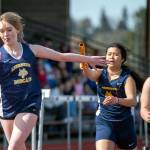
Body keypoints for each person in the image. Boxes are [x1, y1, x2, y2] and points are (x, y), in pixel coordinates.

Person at [0, 12, 106, 150]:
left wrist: (88, 59)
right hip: (7, 105)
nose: (5, 34)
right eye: (2, 31)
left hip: (29, 103)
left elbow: (61, 57)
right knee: (18, 147)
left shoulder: (32, 49)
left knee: (13, 147)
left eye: (9, 30)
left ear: (17, 30)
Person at [81, 43, 137, 150]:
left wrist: (116, 100)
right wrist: (84, 63)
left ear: (122, 59)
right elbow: (89, 74)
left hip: (124, 124)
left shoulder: (127, 79)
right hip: (105, 122)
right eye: (109, 54)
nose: (111, 57)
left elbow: (133, 101)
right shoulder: (100, 73)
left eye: (116, 54)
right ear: (106, 57)